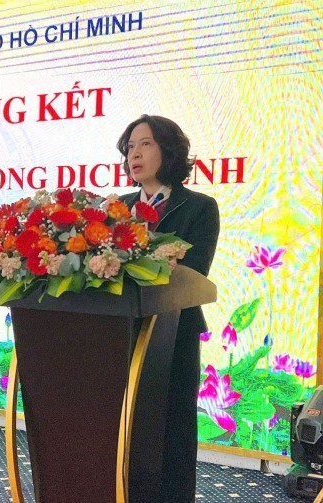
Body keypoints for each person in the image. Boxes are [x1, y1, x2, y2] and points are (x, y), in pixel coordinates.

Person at [116, 114, 220, 502]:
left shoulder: (199, 207)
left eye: (145, 144)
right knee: (124, 429)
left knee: (172, 429)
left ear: (170, 151)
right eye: (130, 147)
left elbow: (194, 272)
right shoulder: (116, 209)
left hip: (173, 334)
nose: (135, 154)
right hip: (119, 331)